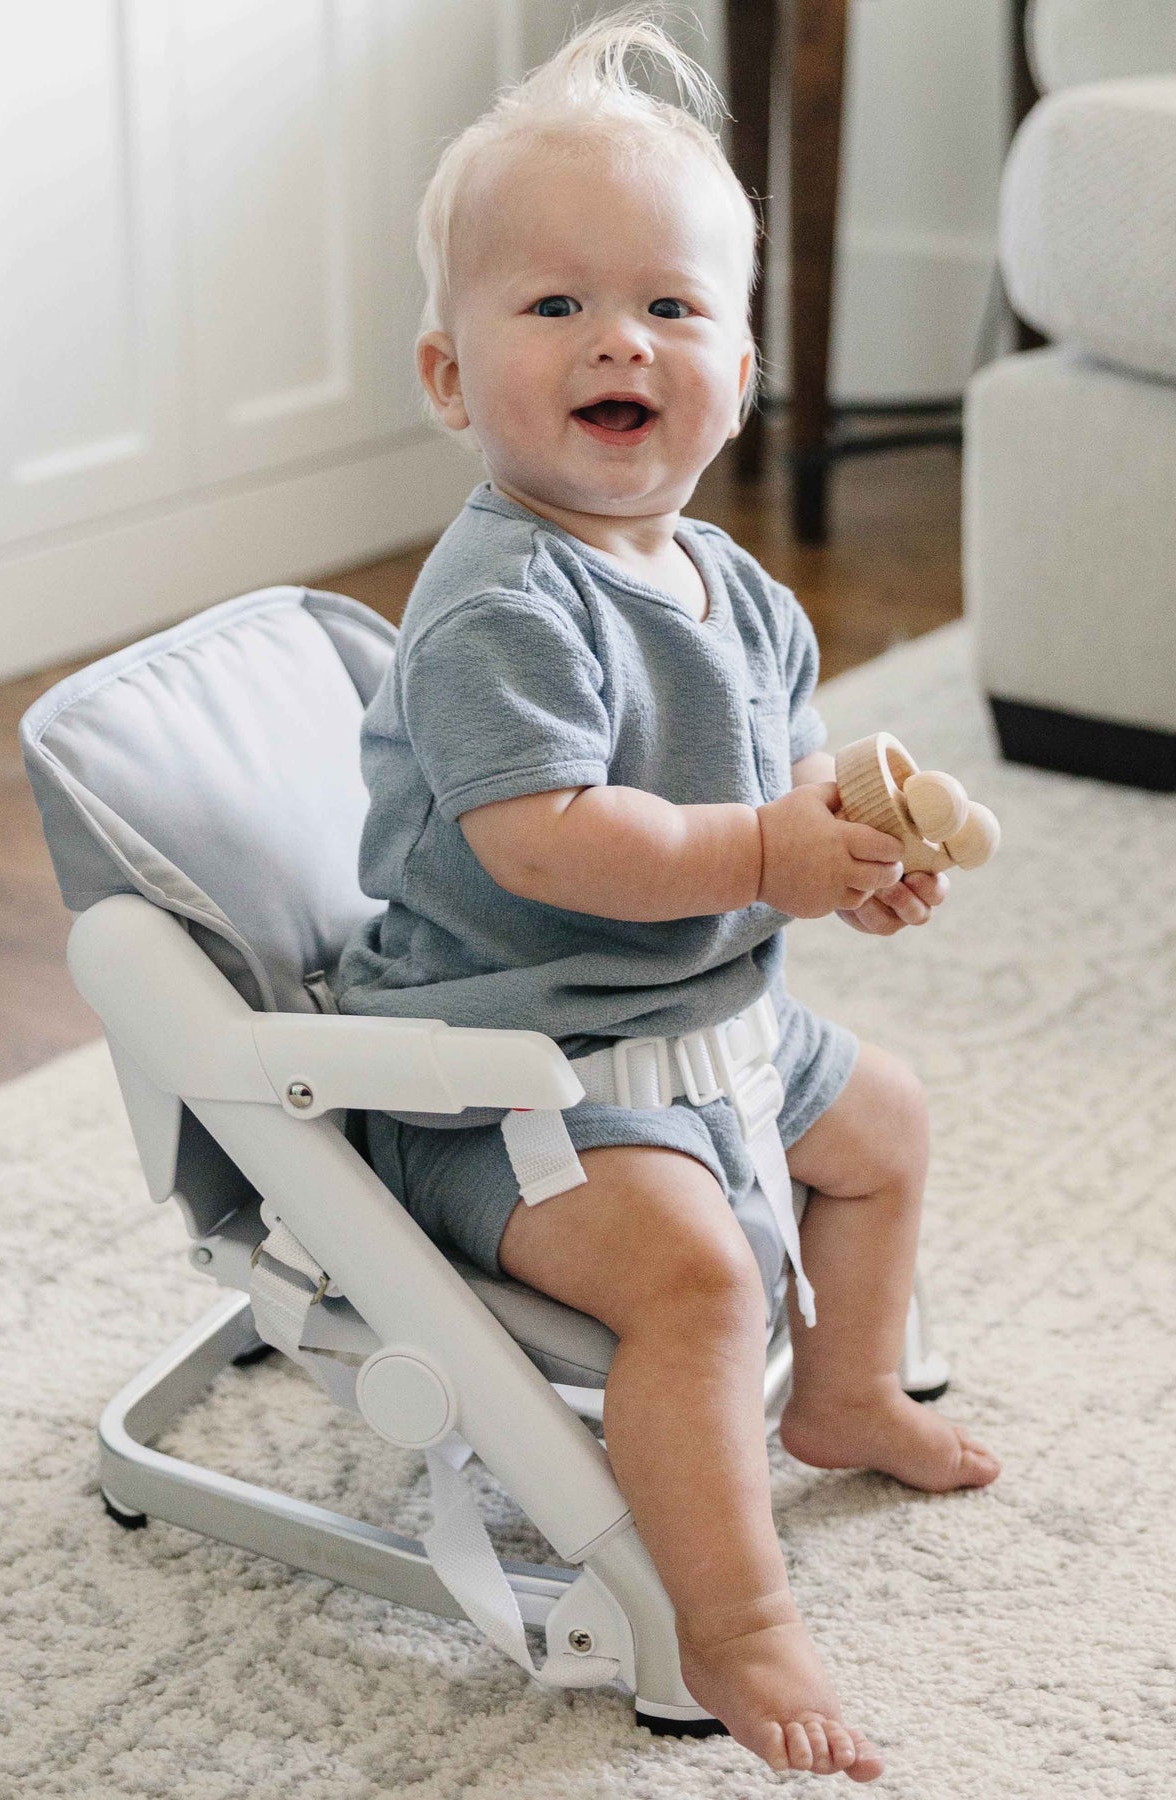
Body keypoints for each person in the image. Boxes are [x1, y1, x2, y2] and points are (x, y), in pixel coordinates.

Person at [334, 8, 998, 1780]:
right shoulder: (500, 604)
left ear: (743, 363)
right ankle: (734, 1614)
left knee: (887, 1124)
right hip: (513, 1076)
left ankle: (847, 1391)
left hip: (704, 1023)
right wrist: (761, 863)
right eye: (552, 306)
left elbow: (775, 788)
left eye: (671, 307)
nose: (618, 339)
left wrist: (841, 864)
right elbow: (546, 840)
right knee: (698, 1284)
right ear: (451, 378)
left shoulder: (731, 583)